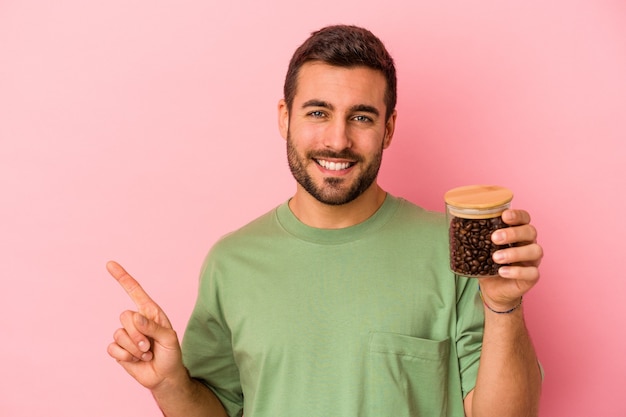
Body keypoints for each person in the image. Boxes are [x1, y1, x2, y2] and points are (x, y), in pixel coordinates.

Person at [107, 25, 543, 417]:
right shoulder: (231, 262)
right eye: (318, 112)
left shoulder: (452, 250)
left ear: (388, 128)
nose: (338, 140)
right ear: (285, 117)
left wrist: (503, 304)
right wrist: (169, 383)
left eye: (361, 117)